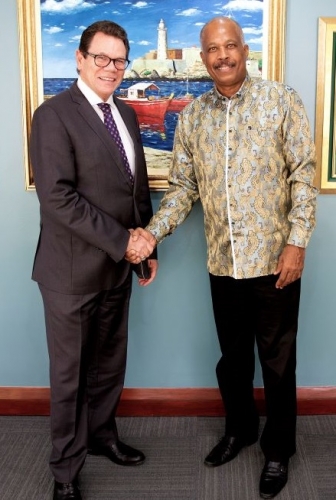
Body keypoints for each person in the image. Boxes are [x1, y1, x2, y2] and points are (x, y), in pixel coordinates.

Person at [136, 16, 317, 500]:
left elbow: (303, 176)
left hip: (276, 261)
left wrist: (296, 243)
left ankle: (278, 450)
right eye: (213, 49)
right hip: (222, 263)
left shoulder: (282, 100)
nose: (222, 56)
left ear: (244, 48)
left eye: (231, 46)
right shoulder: (193, 115)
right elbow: (182, 189)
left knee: (278, 364)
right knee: (232, 360)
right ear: (203, 57)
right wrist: (151, 234)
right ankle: (240, 430)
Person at [30, 20, 157, 500]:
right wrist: (124, 242)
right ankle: (64, 470)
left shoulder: (124, 114)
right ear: (80, 59)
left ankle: (102, 436)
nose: (110, 68)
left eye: (119, 60)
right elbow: (58, 199)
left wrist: (147, 248)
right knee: (69, 377)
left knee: (108, 364)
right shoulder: (53, 115)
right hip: (69, 273)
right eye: (100, 58)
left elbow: (134, 190)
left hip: (117, 268)